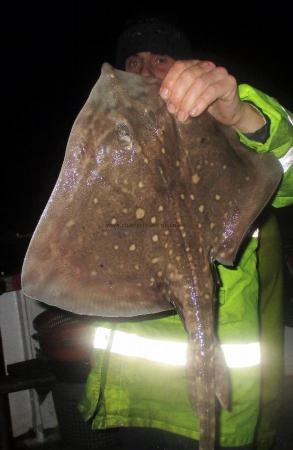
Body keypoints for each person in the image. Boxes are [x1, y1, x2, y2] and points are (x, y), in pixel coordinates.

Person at [79, 18, 293, 450]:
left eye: (161, 59)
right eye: (133, 62)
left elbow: (286, 173)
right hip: (126, 394)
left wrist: (243, 114)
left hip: (217, 406)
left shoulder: (226, 128)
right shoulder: (112, 150)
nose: (144, 70)